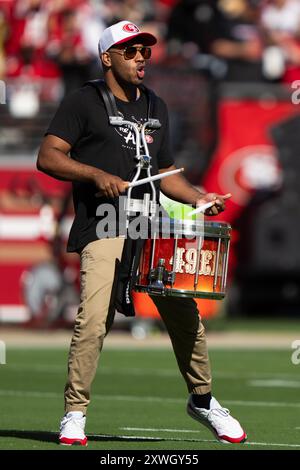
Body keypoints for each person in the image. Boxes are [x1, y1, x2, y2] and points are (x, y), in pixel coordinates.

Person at [37, 20, 247, 446]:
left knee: (185, 314)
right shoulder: (83, 101)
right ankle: (75, 412)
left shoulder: (155, 104)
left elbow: (166, 173)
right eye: (130, 52)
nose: (140, 59)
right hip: (104, 222)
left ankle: (203, 400)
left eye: (144, 51)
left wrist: (198, 197)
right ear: (106, 57)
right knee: (94, 321)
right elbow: (48, 156)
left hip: (150, 225)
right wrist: (95, 174)